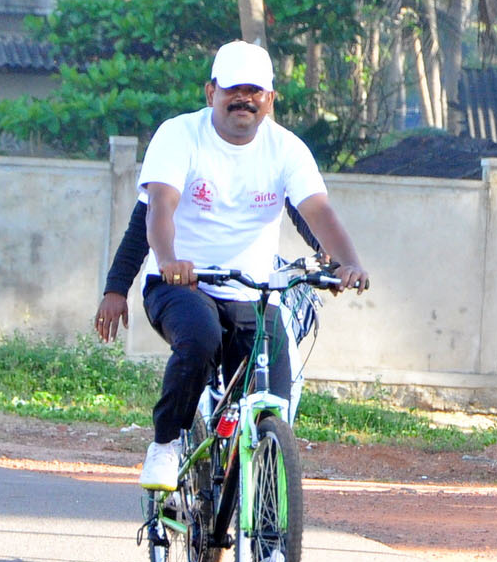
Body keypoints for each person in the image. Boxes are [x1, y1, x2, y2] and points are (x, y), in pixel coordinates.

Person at [129, 40, 369, 491]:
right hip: (183, 285)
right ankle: (165, 443)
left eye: (255, 91)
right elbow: (158, 207)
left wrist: (348, 263)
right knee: (198, 339)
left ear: (270, 99)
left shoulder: (286, 149)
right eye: (233, 89)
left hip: (252, 293)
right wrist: (169, 261)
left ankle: (266, 541)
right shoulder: (180, 135)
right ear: (210, 93)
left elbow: (317, 212)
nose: (244, 99)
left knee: (276, 400)